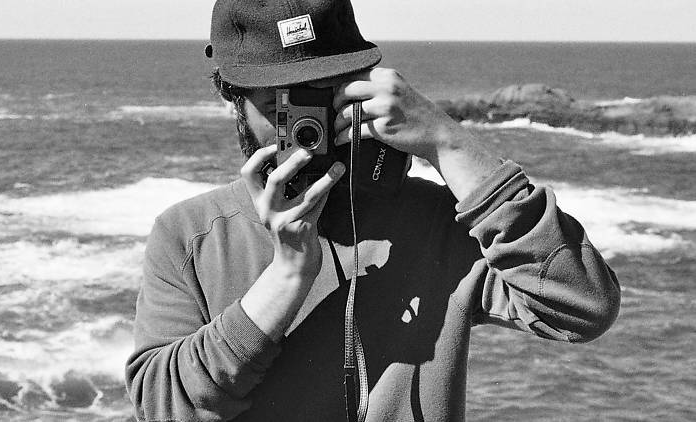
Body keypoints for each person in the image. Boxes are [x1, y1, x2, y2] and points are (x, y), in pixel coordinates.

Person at [125, 1, 621, 421]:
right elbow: (163, 405)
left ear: (362, 84)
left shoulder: (434, 223)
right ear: (232, 98)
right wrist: (287, 275)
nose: (302, 119)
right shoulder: (191, 236)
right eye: (278, 100)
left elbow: (583, 306)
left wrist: (447, 143)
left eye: (324, 91)